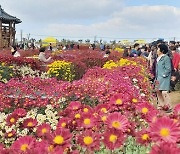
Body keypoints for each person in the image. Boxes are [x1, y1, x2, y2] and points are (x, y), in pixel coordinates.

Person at [155, 44, 172, 110]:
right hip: (157, 77)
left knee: (164, 92)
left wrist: (164, 75)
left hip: (164, 78)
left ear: (162, 50)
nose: (157, 50)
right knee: (158, 91)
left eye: (158, 49)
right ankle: (161, 105)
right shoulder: (158, 58)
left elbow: (168, 68)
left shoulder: (166, 58)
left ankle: (168, 106)